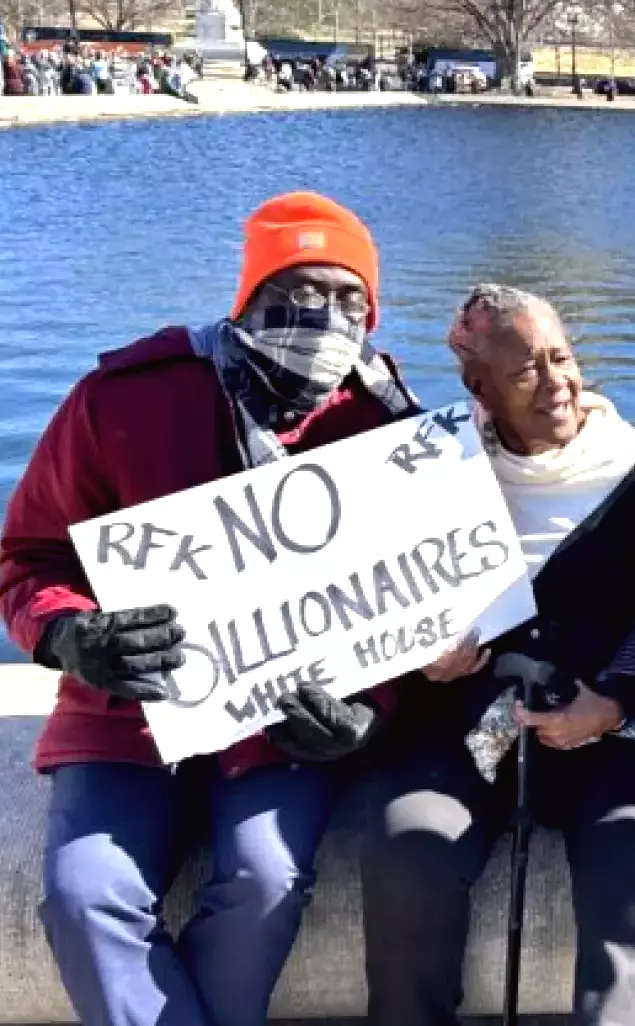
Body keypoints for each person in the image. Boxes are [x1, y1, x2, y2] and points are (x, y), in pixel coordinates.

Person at [0, 192, 425, 1026]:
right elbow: (26, 558)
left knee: (267, 880)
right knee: (86, 898)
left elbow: (417, 606)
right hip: (128, 717)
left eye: (350, 300)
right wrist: (69, 635)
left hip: (280, 727)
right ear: (250, 297)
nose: (325, 318)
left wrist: (367, 714)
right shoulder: (120, 400)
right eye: (299, 290)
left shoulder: (386, 426)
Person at [360, 285, 635, 1026]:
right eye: (525, 373)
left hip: (609, 717)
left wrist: (612, 702)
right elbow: (385, 602)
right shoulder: (438, 469)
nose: (556, 384)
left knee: (623, 856)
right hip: (470, 718)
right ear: (478, 388)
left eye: (562, 358)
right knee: (407, 853)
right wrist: (422, 653)